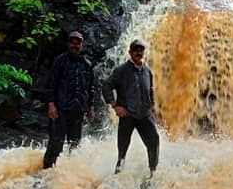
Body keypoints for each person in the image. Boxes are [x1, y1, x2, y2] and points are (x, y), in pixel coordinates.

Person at [102, 38, 159, 176]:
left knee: (154, 141)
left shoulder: (147, 71)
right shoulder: (121, 70)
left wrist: (152, 107)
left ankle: (153, 172)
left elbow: (150, 90)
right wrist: (115, 105)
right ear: (130, 52)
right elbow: (106, 86)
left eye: (141, 50)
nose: (138, 53)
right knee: (123, 149)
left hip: (144, 115)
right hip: (127, 115)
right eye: (135, 50)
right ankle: (117, 176)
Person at [42, 31, 95, 169]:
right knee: (55, 143)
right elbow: (51, 84)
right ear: (68, 44)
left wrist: (90, 107)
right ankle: (46, 172)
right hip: (61, 110)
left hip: (78, 110)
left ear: (82, 45)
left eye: (78, 43)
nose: (75, 45)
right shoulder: (60, 61)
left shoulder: (87, 64)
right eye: (72, 42)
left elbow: (90, 87)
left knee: (75, 145)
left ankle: (69, 173)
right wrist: (51, 105)